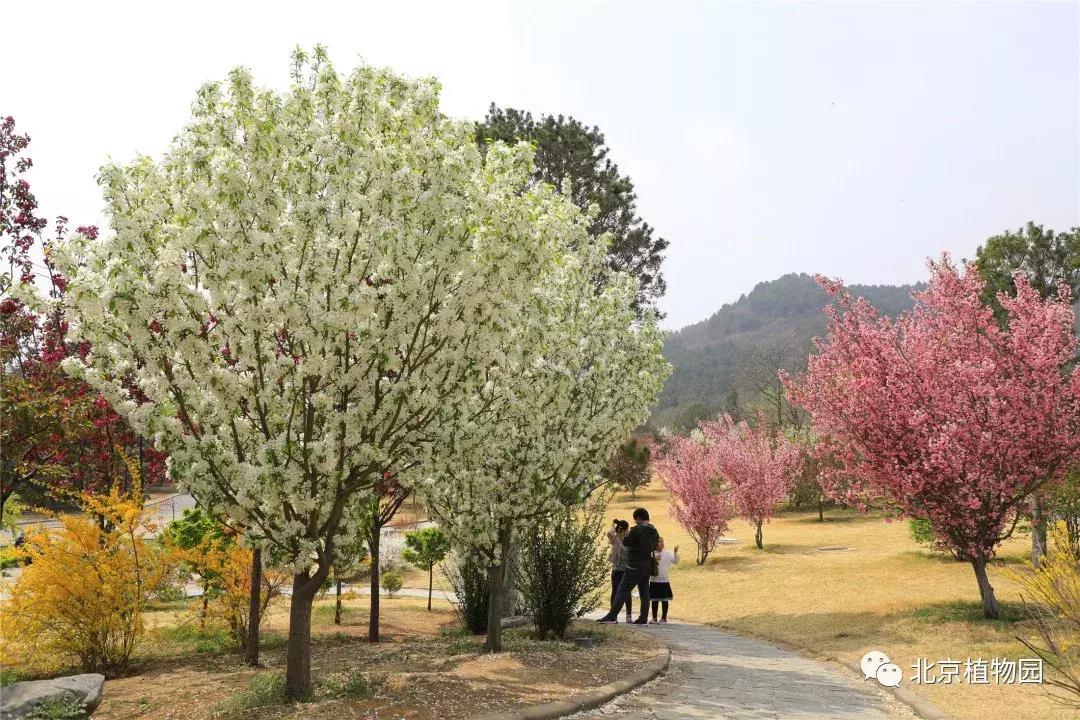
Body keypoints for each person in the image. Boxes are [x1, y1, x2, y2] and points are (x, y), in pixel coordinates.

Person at [597, 507, 658, 625]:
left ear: (639, 518)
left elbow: (626, 542)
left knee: (622, 589)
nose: (635, 522)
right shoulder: (654, 530)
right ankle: (643, 618)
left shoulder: (637, 530)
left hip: (634, 565)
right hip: (647, 565)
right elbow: (654, 546)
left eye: (636, 520)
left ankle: (612, 616)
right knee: (644, 591)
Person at [607, 519, 633, 622]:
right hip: (617, 569)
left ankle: (629, 615)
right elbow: (609, 532)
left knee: (627, 592)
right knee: (615, 591)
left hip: (627, 569)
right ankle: (613, 615)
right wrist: (615, 526)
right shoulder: (616, 538)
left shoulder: (630, 539)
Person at [649, 537, 679, 623]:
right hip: (654, 580)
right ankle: (654, 618)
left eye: (662, 542)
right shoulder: (651, 554)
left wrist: (675, 553)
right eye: (659, 542)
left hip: (664, 580)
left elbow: (675, 562)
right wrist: (654, 559)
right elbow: (648, 565)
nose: (661, 544)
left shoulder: (667, 553)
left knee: (664, 600)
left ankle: (664, 618)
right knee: (654, 600)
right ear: (655, 544)